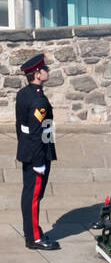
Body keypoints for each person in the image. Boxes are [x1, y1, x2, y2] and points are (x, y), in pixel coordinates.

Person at [16, 53, 59, 251]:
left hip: (28, 150)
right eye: (45, 69)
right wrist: (40, 160)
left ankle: (32, 231)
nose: (47, 71)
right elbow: (36, 132)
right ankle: (33, 237)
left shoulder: (25, 93)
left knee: (29, 194)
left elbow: (21, 127)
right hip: (37, 153)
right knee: (33, 196)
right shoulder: (37, 101)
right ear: (37, 74)